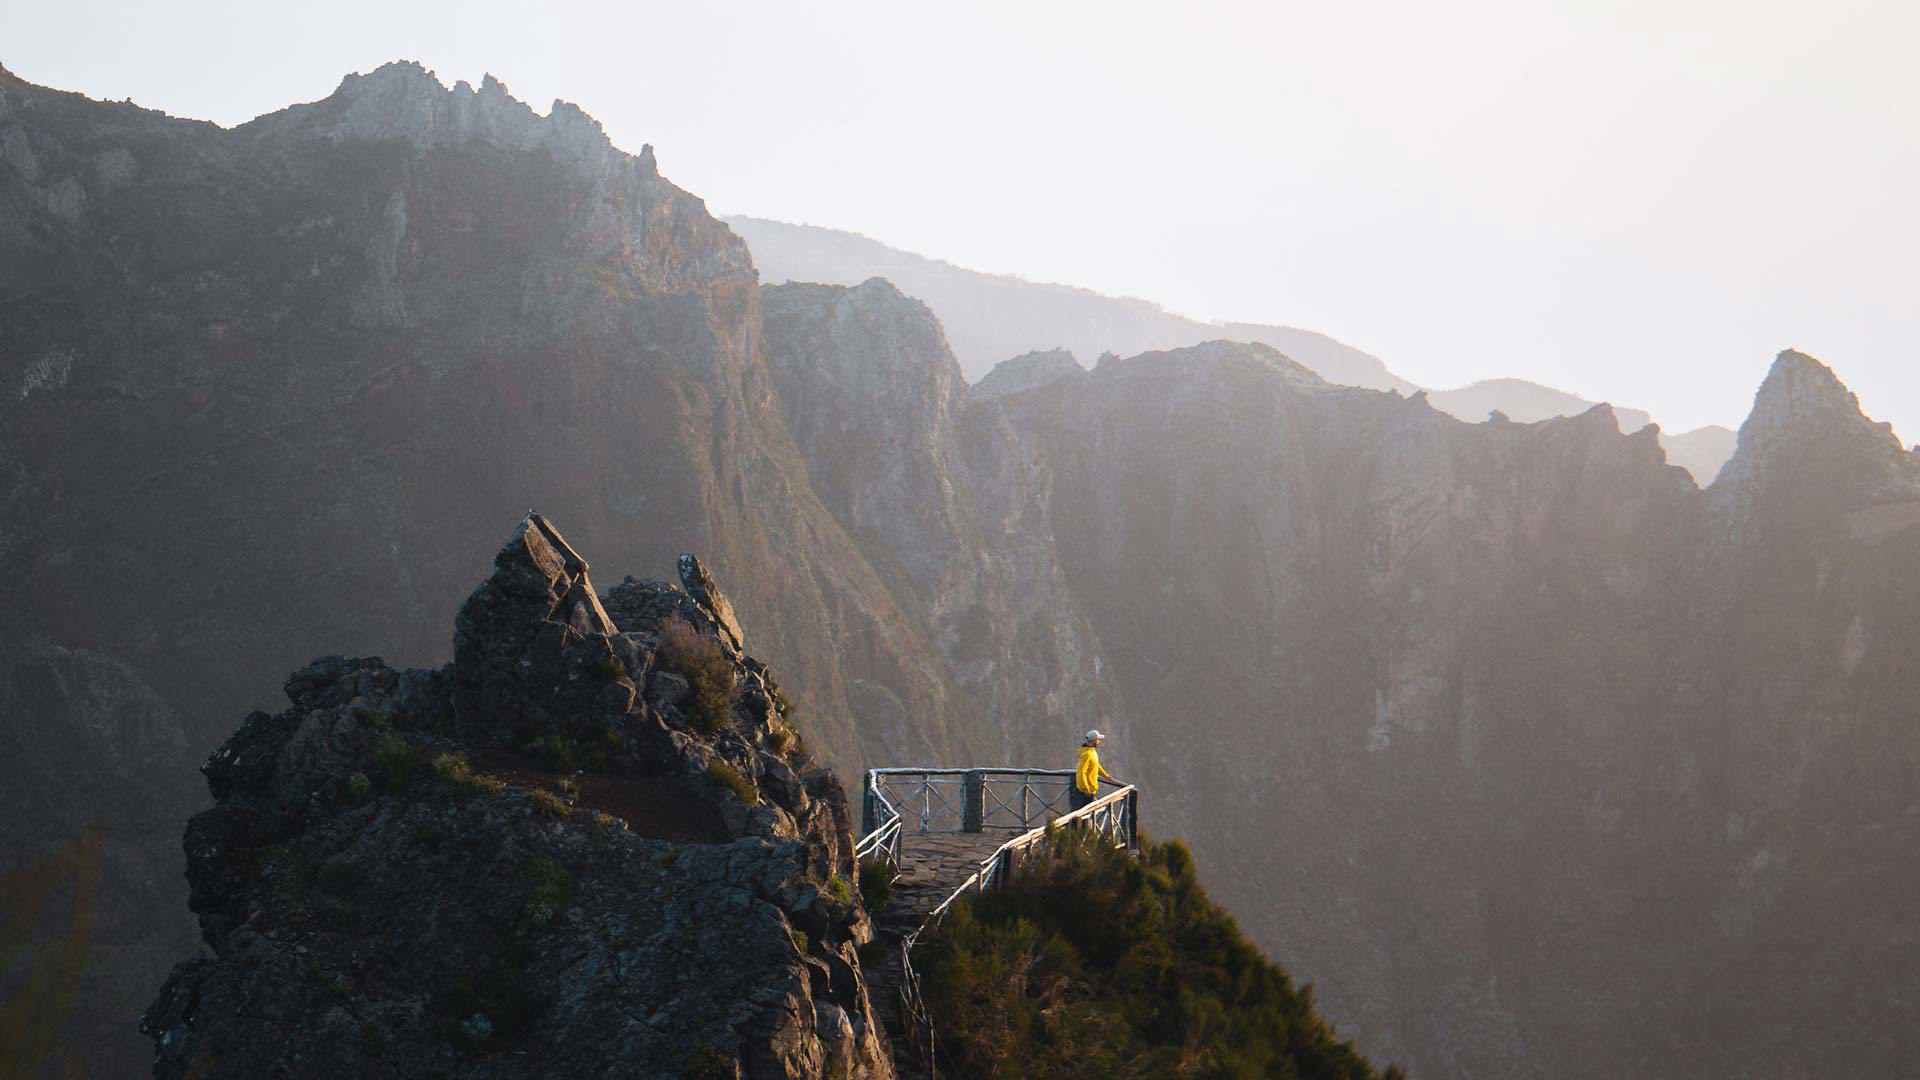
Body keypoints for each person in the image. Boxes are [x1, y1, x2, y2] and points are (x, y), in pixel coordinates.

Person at [1071, 729, 1119, 812]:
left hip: (1090, 790)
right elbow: (1081, 772)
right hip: (1086, 792)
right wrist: (1086, 789)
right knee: (1082, 814)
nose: (1099, 741)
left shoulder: (1092, 752)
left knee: (1087, 815)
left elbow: (1096, 766)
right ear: (1094, 741)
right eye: (1098, 740)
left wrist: (1106, 776)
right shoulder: (1087, 755)